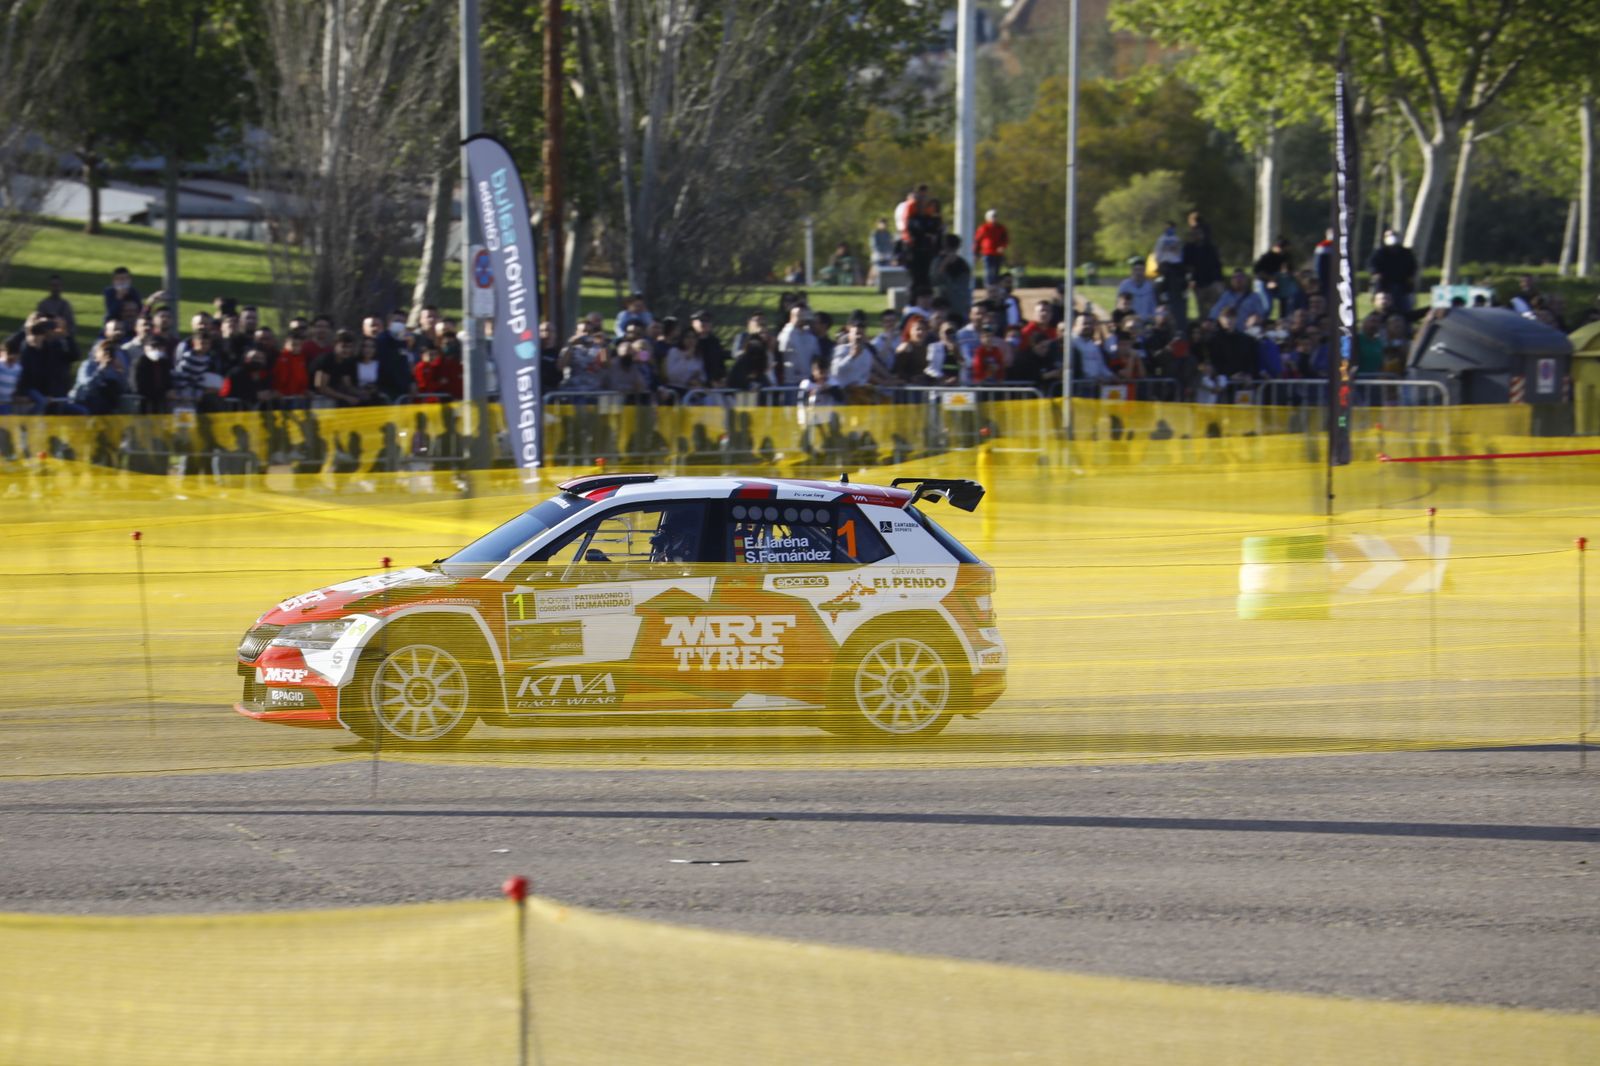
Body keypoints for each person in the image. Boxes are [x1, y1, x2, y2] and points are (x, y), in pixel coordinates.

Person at [1183, 212, 1224, 321]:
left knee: (1213, 309)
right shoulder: (1189, 248)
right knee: (1202, 310)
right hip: (1198, 282)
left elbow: (1216, 264)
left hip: (1210, 281)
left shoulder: (1209, 247)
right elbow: (1187, 265)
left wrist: (1218, 280)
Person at [1367, 229, 1419, 313]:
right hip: (1384, 286)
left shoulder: (1406, 253)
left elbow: (1413, 267)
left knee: (1405, 308)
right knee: (1384, 309)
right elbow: (1371, 265)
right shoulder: (1379, 253)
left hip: (1403, 286)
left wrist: (1410, 278)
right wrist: (1376, 273)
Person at [1151, 222, 1187, 330]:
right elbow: (1157, 254)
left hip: (1176, 267)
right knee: (1162, 285)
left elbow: (1180, 254)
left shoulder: (1177, 239)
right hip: (1165, 265)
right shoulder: (1161, 239)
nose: (1170, 229)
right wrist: (1159, 265)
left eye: (1172, 228)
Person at [774, 305, 821, 387]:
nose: (802, 319)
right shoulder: (786, 333)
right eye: (799, 316)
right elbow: (782, 349)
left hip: (807, 380)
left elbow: (816, 355)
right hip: (791, 380)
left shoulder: (810, 336)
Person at [973, 209, 1009, 288]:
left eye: (996, 216)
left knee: (996, 271)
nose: (994, 218)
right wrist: (976, 252)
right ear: (987, 218)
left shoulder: (1001, 228)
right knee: (989, 271)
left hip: (998, 253)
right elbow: (977, 240)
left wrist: (1002, 246)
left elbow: (1005, 239)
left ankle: (995, 287)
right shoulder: (983, 228)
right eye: (992, 216)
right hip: (987, 253)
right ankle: (989, 287)